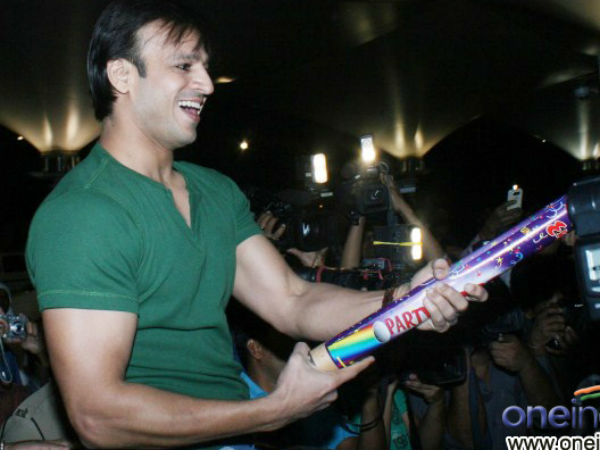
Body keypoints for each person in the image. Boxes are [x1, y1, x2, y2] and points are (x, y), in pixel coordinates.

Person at [25, 1, 487, 448]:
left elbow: (293, 299)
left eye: (206, 67)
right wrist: (273, 411)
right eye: (184, 65)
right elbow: (98, 416)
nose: (207, 84)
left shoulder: (214, 191)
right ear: (122, 74)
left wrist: (402, 300)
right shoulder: (82, 213)